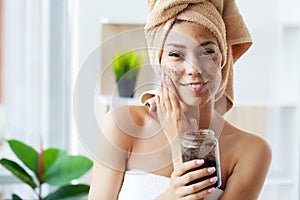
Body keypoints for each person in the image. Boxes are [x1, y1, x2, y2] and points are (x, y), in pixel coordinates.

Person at [88, 0, 272, 199]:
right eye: (176, 54)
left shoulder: (250, 151)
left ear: (223, 58)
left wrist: (182, 145)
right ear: (158, 61)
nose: (194, 69)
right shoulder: (123, 126)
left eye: (207, 51)